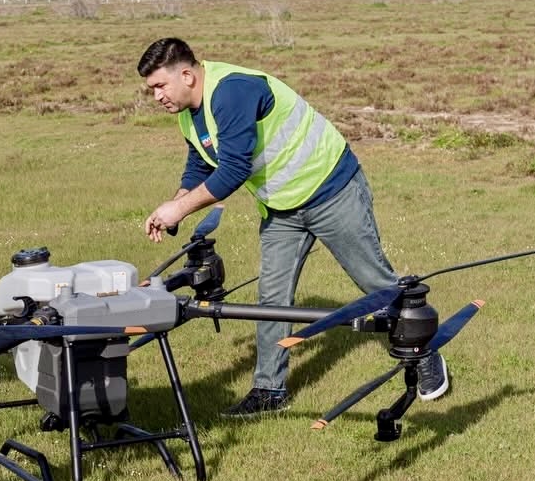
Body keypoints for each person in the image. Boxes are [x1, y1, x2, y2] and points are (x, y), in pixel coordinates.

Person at [138, 38, 448, 417]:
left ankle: (425, 355)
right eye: (152, 89)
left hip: (331, 190)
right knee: (272, 298)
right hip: (282, 209)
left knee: (375, 284)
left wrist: (177, 209)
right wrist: (176, 204)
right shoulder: (189, 113)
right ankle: (270, 391)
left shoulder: (232, 91)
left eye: (160, 86)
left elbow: (233, 171)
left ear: (186, 75)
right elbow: (201, 163)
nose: (156, 96)